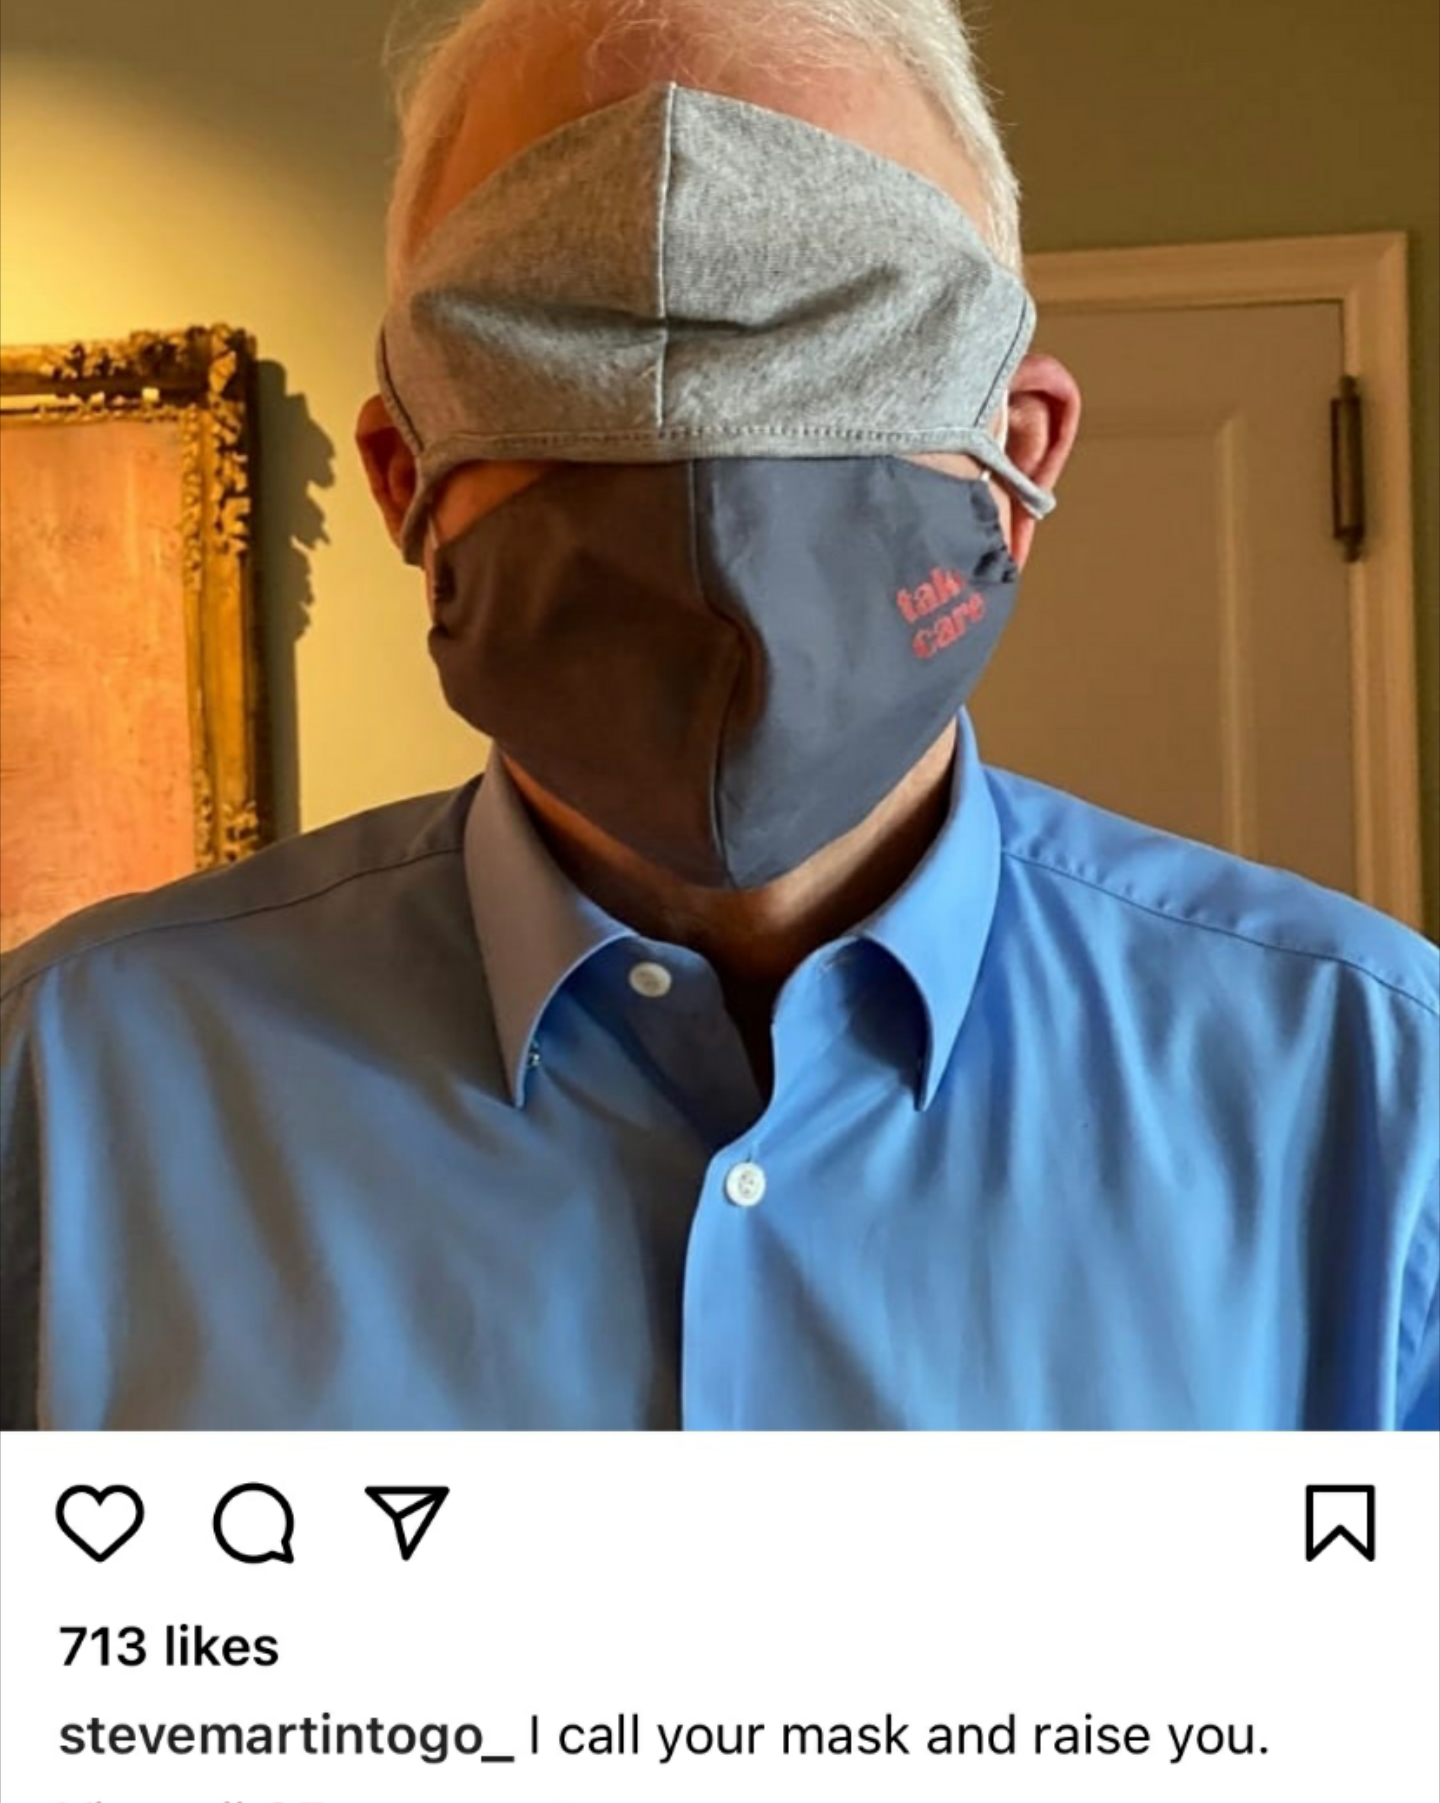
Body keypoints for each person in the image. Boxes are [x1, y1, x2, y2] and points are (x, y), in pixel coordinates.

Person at [1, 0, 1436, 1431]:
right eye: (570, 326)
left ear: (1018, 459)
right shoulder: (55, 1106)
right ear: (405, 482)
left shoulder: (1378, 1100)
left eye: (823, 323)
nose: (709, 486)